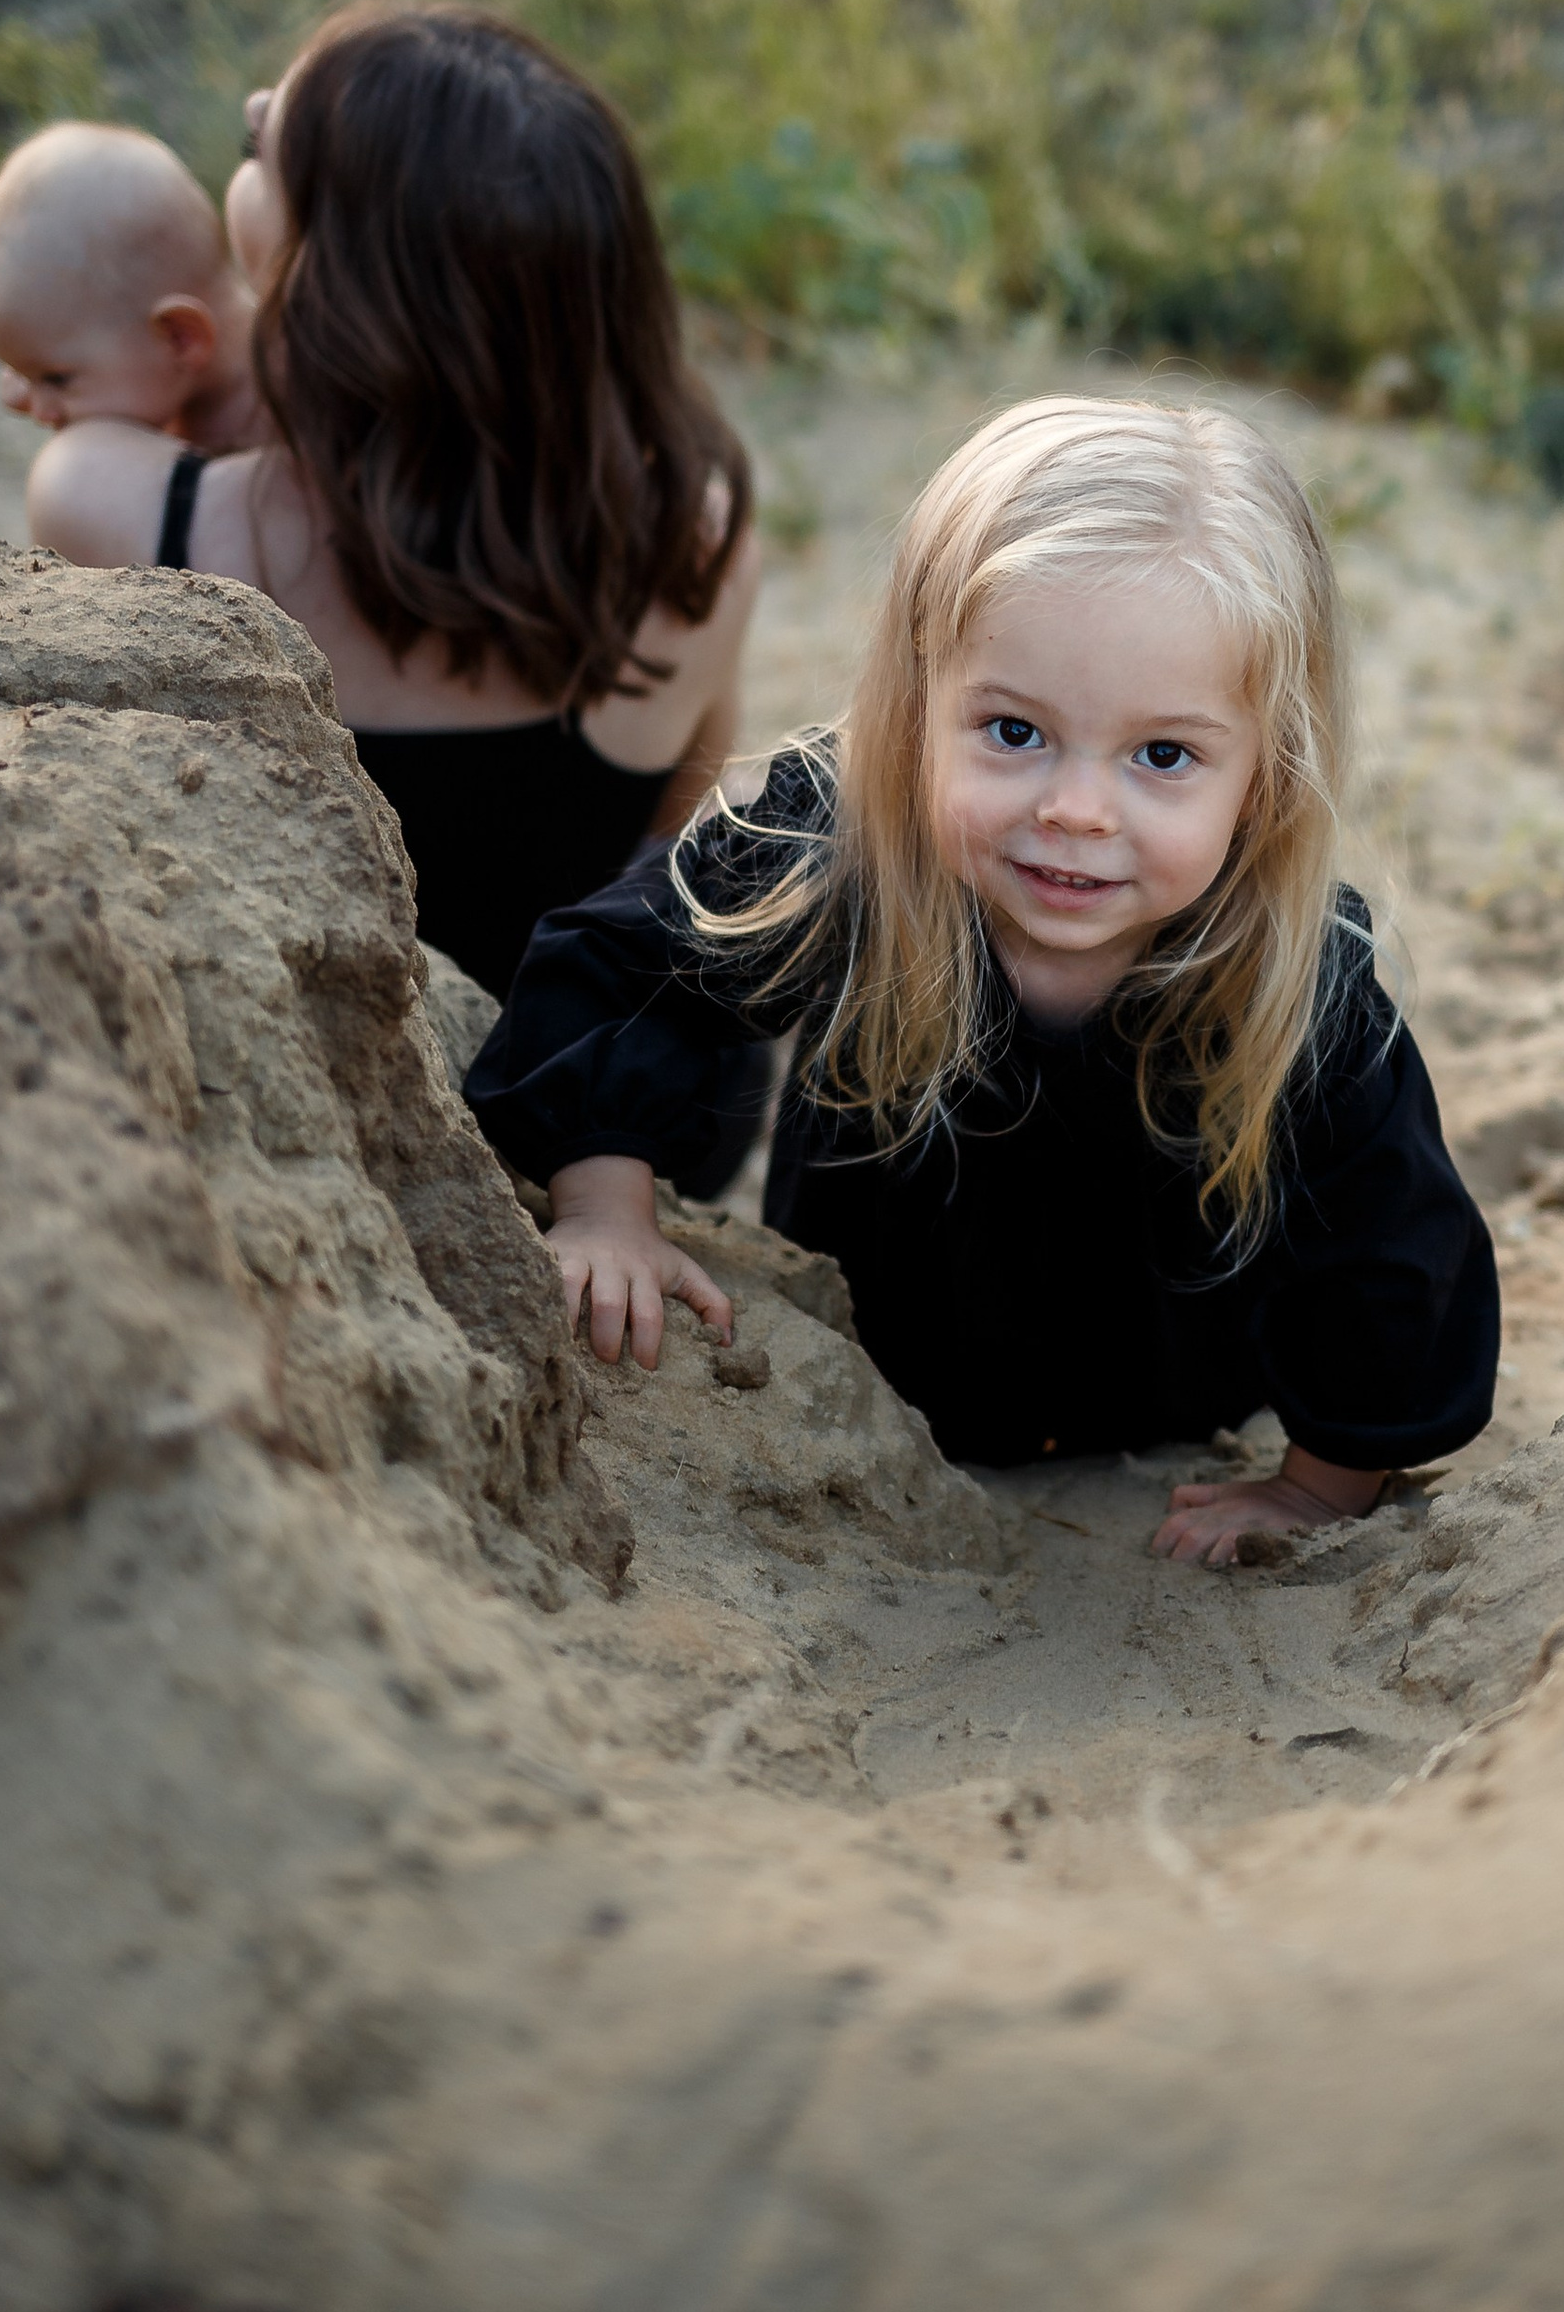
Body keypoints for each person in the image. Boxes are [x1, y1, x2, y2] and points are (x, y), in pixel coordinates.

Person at [465, 396, 1499, 1565]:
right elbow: (618, 970)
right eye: (1013, 732)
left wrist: (1319, 1488)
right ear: (920, 710)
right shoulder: (842, 853)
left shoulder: (1297, 984)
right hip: (873, 1393)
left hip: (1166, 1422)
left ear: (1264, 775)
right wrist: (606, 1210)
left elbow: (1393, 1250)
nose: (1076, 808)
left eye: (1163, 754)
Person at [20, 1, 762, 1021]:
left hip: (332, 1064)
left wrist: (220, 363)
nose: (252, 105)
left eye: (256, 148)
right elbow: (673, 825)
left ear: (325, 281)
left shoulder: (139, 517)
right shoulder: (699, 538)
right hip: (560, 1055)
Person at [0, 120, 262, 458]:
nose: (29, 407)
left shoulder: (281, 420)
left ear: (180, 337)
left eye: (56, 379)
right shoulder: (162, 378)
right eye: (18, 372)